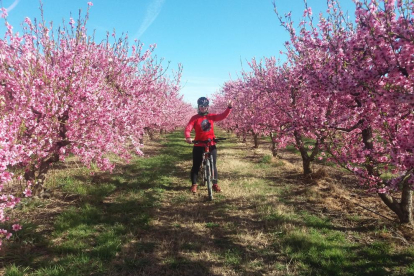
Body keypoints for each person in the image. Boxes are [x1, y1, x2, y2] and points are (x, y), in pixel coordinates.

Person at [184, 97, 233, 194]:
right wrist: (188, 137)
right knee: (196, 165)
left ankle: (215, 184)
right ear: (198, 107)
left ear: (208, 107)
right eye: (201, 106)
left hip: (211, 144)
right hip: (199, 144)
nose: (203, 108)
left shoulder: (211, 116)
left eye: (205, 106)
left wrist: (229, 108)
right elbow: (188, 128)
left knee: (213, 165)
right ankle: (194, 184)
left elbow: (222, 116)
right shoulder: (195, 118)